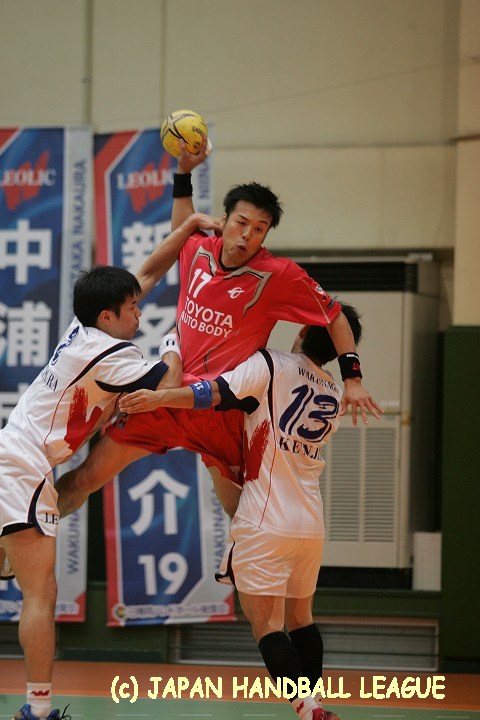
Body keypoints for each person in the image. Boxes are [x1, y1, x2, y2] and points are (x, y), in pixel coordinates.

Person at [56, 142, 382, 519]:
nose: (246, 236)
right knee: (85, 479)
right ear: (224, 220)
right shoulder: (198, 250)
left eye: (259, 229)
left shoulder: (278, 276)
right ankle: (19, 540)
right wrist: (183, 172)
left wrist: (353, 379)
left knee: (243, 516)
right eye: (241, 223)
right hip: (167, 396)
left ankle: (255, 559)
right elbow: (183, 225)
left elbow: (335, 316)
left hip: (219, 409)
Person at [117, 304, 364, 720]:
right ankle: (316, 707)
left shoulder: (271, 364)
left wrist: (160, 397)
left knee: (266, 626)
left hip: (266, 519)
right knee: (302, 619)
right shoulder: (334, 394)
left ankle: (307, 708)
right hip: (310, 523)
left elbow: (210, 393)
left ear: (303, 332)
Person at [0, 265, 181, 720]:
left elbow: (144, 274)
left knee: (36, 582)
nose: (140, 313)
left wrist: (182, 234)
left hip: (15, 457)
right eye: (132, 307)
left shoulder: (79, 331)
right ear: (106, 316)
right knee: (40, 593)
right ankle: (38, 709)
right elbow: (169, 385)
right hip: (22, 467)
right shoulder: (111, 354)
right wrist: (174, 343)